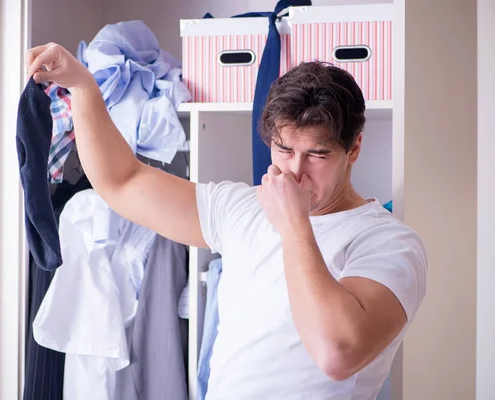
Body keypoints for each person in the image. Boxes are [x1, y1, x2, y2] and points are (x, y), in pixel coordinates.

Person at [26, 43, 427, 399]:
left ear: (354, 147)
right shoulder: (241, 207)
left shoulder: (389, 243)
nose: (296, 171)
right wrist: (81, 87)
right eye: (284, 149)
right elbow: (122, 181)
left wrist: (294, 227)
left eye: (317, 154)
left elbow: (337, 354)